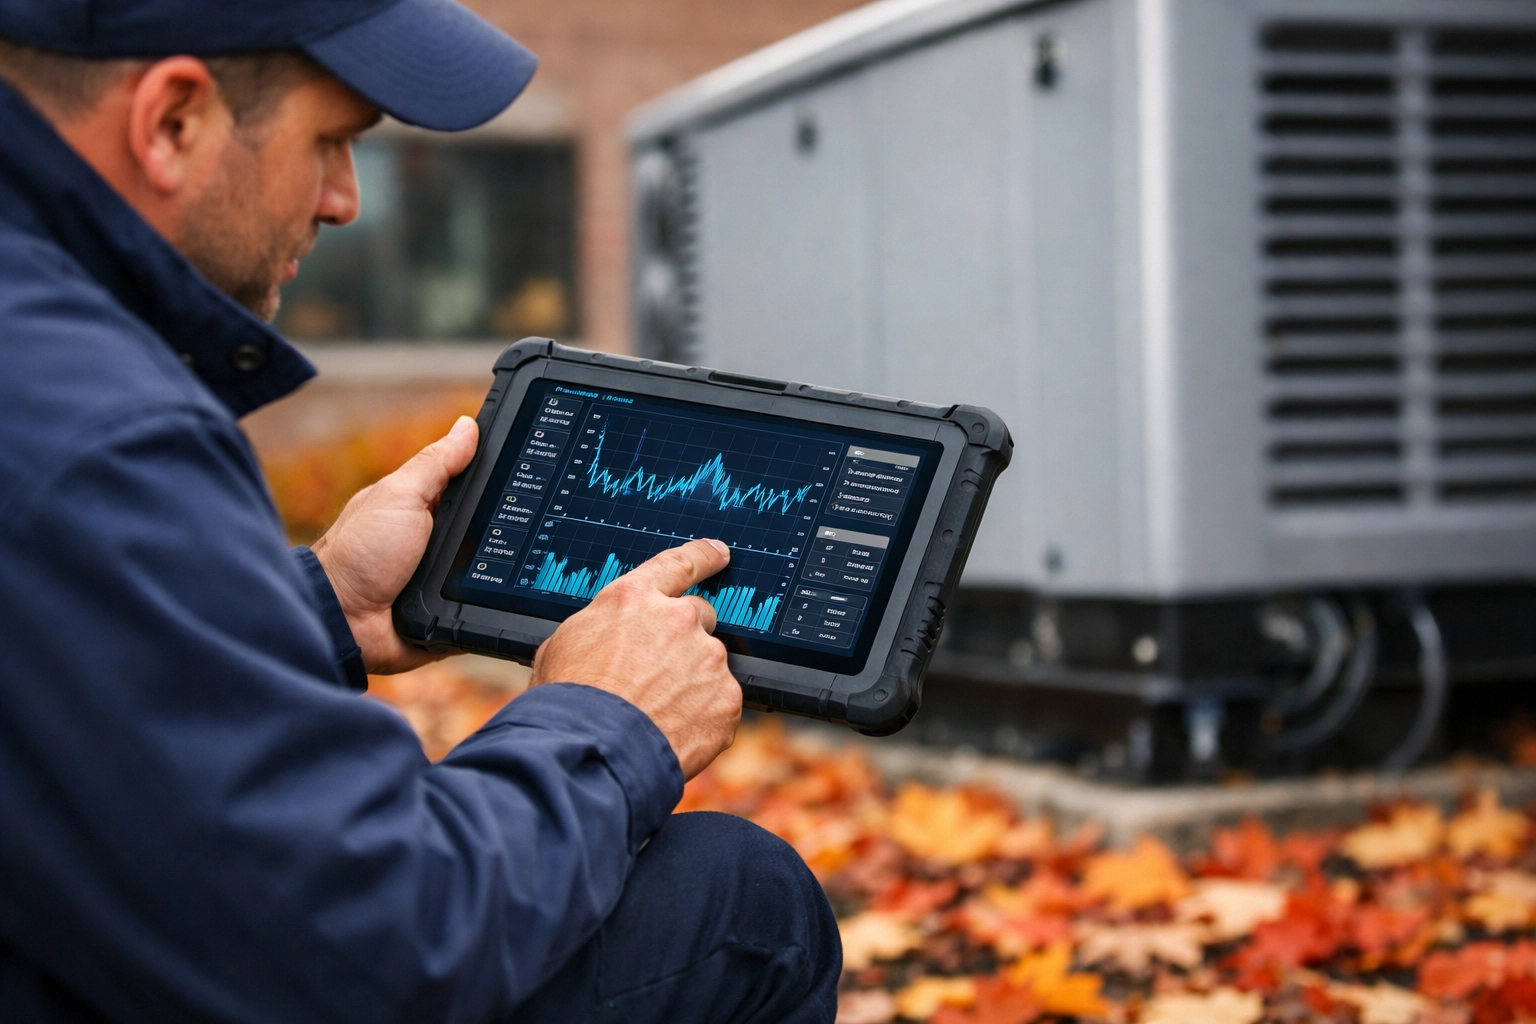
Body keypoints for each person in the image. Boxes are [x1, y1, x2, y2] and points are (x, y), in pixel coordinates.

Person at [0, 1, 840, 1021]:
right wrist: (610, 720)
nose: (349, 200)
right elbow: (382, 944)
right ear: (174, 120)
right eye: (334, 141)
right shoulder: (92, 423)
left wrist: (318, 609)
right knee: (742, 909)